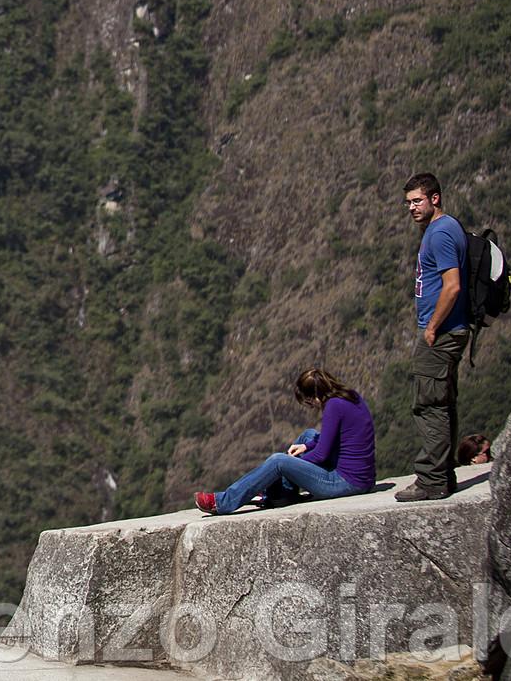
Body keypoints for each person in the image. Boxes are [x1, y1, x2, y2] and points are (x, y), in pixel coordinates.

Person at [196, 368, 377, 514]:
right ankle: (282, 494)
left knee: (278, 461)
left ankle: (223, 502)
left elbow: (321, 455)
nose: (312, 406)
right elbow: (334, 438)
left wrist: (288, 466)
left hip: (346, 482)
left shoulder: (333, 407)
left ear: (314, 396)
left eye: (308, 402)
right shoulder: (348, 396)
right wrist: (307, 446)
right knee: (308, 435)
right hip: (360, 477)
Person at [396, 172, 469, 501]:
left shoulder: (439, 233)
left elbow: (452, 285)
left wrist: (431, 327)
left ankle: (431, 480)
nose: (411, 207)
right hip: (449, 330)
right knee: (443, 402)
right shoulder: (446, 228)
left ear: (435, 198)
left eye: (417, 201)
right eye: (408, 202)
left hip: (441, 333)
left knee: (429, 405)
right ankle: (444, 473)